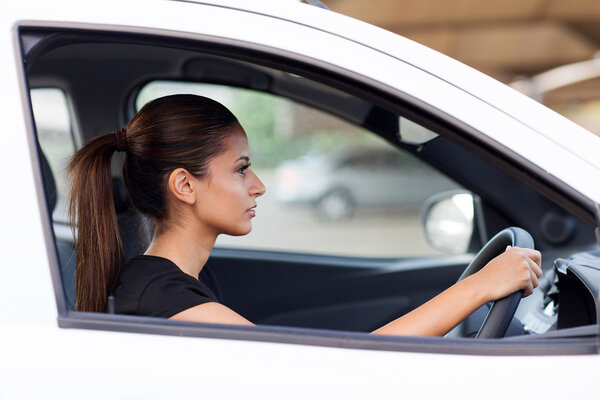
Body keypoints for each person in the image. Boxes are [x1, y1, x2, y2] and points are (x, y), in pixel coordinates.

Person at [67, 94, 542, 336]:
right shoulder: (162, 297)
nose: (259, 185)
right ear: (185, 185)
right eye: (241, 169)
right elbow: (331, 374)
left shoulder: (169, 282)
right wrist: (478, 287)